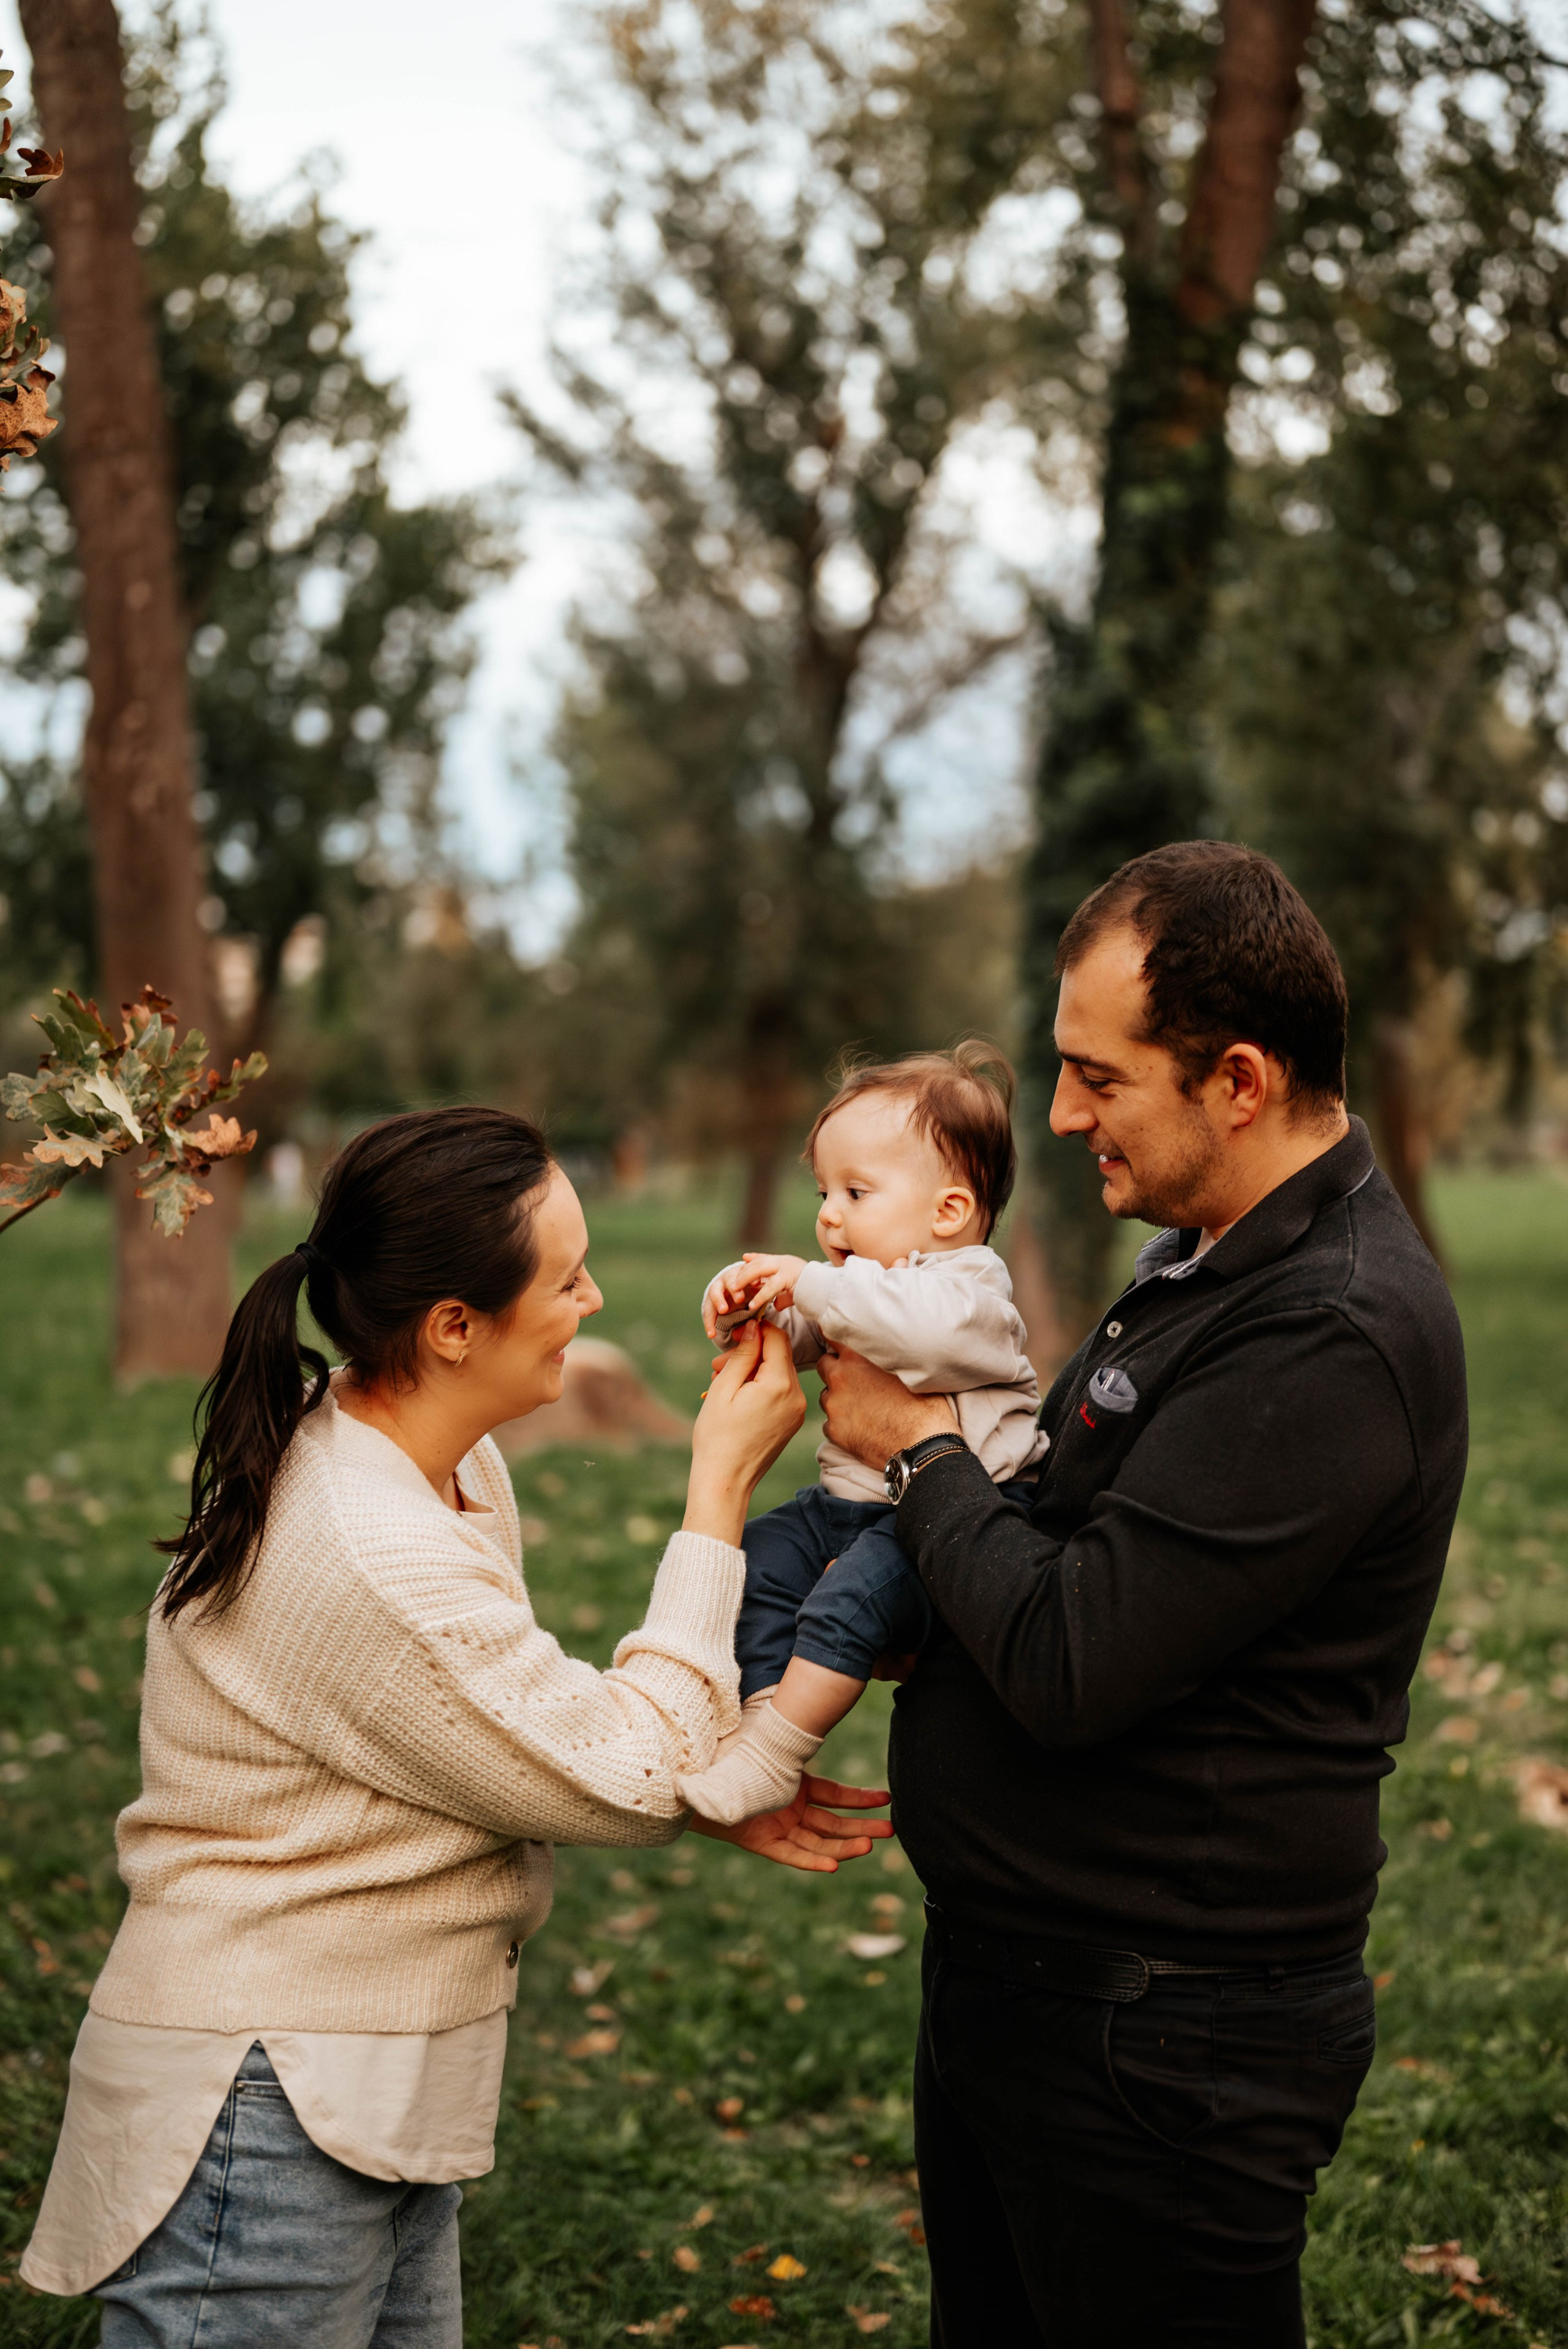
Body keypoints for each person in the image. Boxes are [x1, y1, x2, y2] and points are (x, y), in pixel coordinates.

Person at [21, 1105, 886, 2343]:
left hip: (354, 2086)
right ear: (452, 1327)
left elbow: (475, 1734)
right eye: (567, 1278)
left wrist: (680, 1777)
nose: (593, 1300)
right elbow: (635, 1775)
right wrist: (719, 1488)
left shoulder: (438, 1462)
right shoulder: (375, 1546)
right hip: (269, 2104)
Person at [813, 842, 1468, 2348]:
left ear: (1236, 1081)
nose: (1057, 1114)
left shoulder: (1328, 1328)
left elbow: (1069, 1654)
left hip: (1159, 2042)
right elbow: (1059, 1536)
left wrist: (914, 1447)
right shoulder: (1207, 1258)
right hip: (1032, 1989)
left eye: (1096, 1077)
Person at [678, 1043, 1047, 1823]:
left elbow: (913, 1333)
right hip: (844, 1507)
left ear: (948, 1211)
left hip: (950, 1522)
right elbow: (809, 1329)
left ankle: (777, 1755)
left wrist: (811, 1282)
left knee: (846, 1603)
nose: (827, 1214)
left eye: (855, 1190)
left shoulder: (972, 1294)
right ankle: (762, 1713)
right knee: (758, 1560)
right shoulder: (857, 1287)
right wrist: (750, 1306)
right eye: (823, 1190)